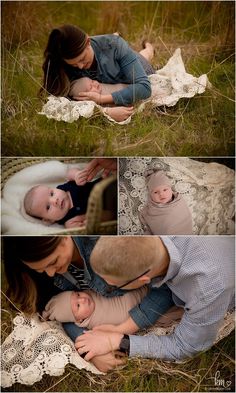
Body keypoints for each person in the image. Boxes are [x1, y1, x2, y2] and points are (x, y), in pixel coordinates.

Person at [3, 236, 174, 372]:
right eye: (41, 270)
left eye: (53, 262)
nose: (50, 273)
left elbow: (166, 289)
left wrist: (120, 331)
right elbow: (67, 315)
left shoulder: (109, 246)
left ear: (63, 236)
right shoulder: (54, 270)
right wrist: (89, 350)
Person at [75, 236, 234, 365]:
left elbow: (186, 346)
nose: (108, 288)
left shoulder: (207, 288)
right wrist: (122, 328)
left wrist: (118, 341)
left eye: (113, 286)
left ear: (144, 280)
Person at [40, 25, 155, 122]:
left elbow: (144, 88)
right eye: (74, 64)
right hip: (111, 77)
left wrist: (101, 99)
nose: (80, 66)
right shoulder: (64, 60)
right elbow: (56, 102)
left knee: (144, 56)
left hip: (134, 72)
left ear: (88, 42)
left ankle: (149, 48)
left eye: (82, 59)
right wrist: (105, 112)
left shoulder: (114, 45)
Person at [23, 166, 104, 228]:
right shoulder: (69, 221)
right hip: (105, 206)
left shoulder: (64, 188)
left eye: (51, 194)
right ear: (49, 220)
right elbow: (83, 226)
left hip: (103, 184)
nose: (54, 201)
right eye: (48, 207)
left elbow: (69, 173)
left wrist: (76, 175)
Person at [42, 287, 148, 330]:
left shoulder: (92, 291)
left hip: (141, 291)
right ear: (79, 320)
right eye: (78, 306)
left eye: (78, 295)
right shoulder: (94, 325)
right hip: (143, 313)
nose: (82, 299)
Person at [139, 170, 193, 234]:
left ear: (171, 189)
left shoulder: (179, 201)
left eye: (165, 190)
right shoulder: (150, 210)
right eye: (156, 192)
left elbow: (185, 218)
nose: (161, 194)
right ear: (150, 195)